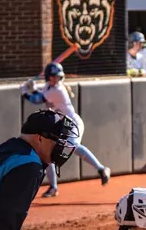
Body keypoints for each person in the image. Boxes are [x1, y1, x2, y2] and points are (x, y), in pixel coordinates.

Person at [21, 63, 111, 197]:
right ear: (48, 77)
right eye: (53, 77)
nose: (55, 79)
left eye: (57, 77)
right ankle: (53, 187)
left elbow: (38, 99)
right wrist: (33, 88)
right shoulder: (49, 87)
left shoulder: (57, 90)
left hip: (72, 123)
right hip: (59, 125)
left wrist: (24, 92)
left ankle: (101, 169)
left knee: (73, 146)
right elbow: (42, 93)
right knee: (48, 152)